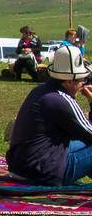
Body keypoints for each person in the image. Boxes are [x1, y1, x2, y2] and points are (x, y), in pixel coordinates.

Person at [6, 45, 92, 186]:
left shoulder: (41, 91)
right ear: (69, 81)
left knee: (81, 145)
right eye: (81, 79)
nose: (82, 84)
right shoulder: (62, 101)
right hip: (42, 172)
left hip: (22, 167)